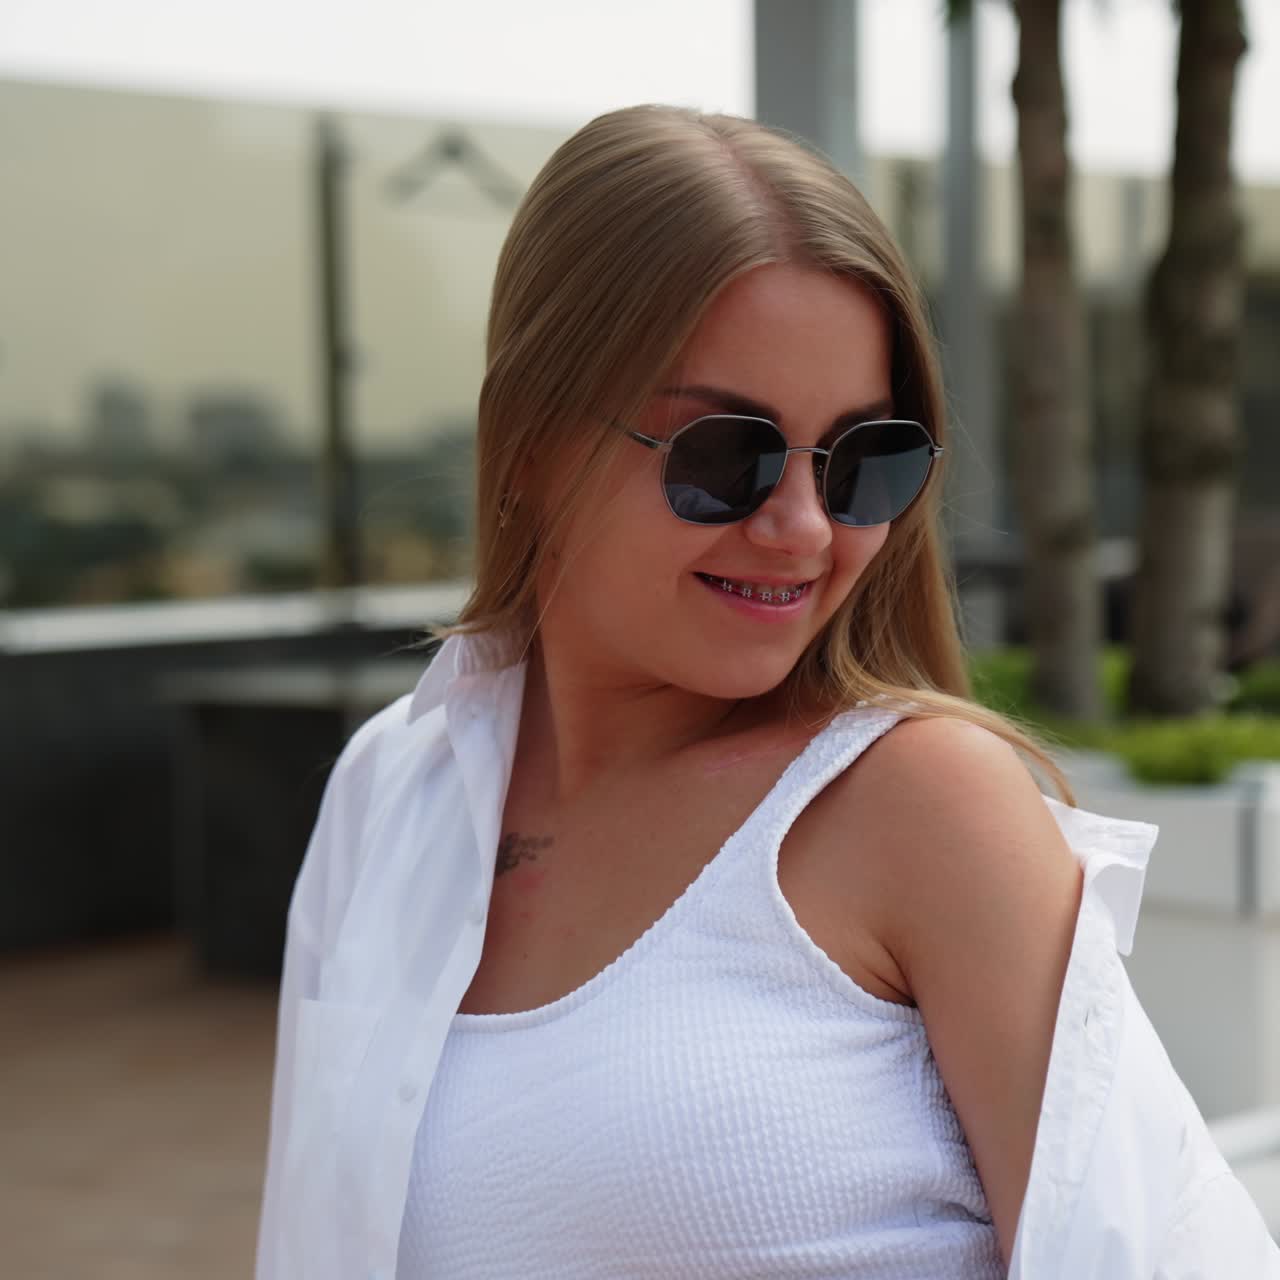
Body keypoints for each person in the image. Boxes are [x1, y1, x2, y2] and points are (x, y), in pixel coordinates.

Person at [254, 105, 1279, 1279]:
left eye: (861, 460)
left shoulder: (921, 805)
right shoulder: (394, 785)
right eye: (722, 455)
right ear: (531, 440)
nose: (799, 525)